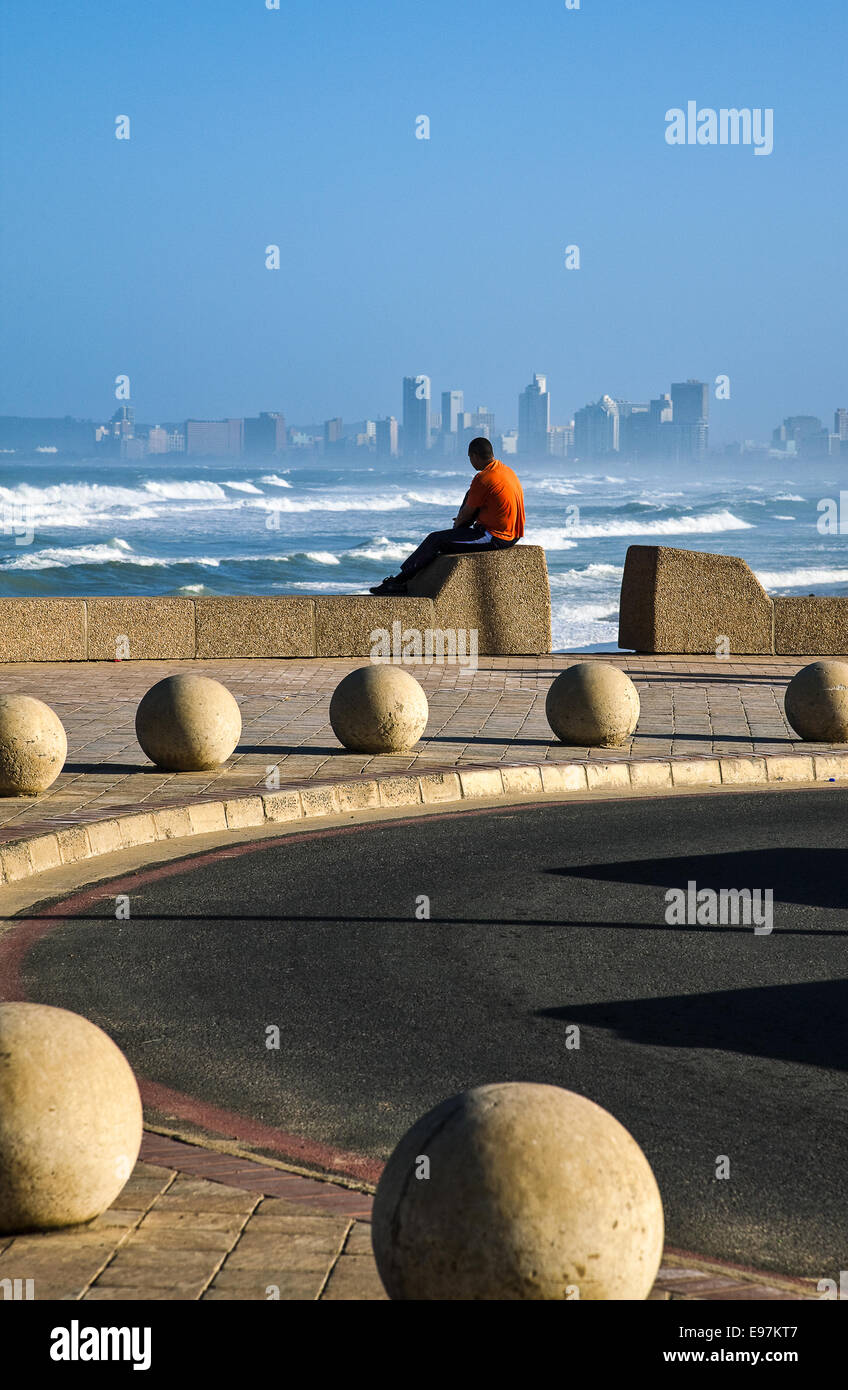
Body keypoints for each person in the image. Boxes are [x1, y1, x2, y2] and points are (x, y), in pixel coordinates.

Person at [369, 437, 525, 595]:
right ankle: (402, 579)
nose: (471, 461)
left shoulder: (483, 478)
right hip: (513, 534)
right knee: (470, 494)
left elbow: (467, 512)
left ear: (474, 456)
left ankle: (398, 582)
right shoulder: (505, 470)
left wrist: (458, 524)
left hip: (496, 537)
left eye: (470, 458)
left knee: (435, 540)